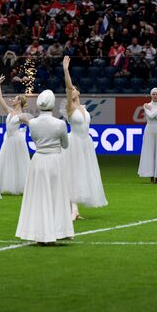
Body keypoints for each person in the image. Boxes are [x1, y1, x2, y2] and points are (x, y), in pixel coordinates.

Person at [16, 90, 74, 244]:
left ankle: (39, 233)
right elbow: (65, 145)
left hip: (38, 160)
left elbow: (35, 139)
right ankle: (55, 231)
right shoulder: (60, 123)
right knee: (55, 196)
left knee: (39, 197)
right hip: (55, 160)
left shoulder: (33, 123)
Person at [60, 56, 108, 221]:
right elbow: (67, 87)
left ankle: (75, 208)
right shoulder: (69, 108)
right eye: (71, 89)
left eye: (74, 88)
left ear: (78, 92)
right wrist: (66, 70)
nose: (72, 90)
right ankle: (73, 208)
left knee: (82, 174)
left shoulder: (83, 107)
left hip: (85, 143)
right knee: (72, 174)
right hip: (74, 143)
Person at [0, 75, 30, 195]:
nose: (12, 100)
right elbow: (0, 97)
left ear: (19, 101)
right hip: (8, 139)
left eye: (15, 98)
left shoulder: (22, 116)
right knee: (6, 162)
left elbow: (32, 126)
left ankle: (22, 186)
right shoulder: (10, 111)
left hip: (17, 140)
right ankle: (3, 184)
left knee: (18, 163)